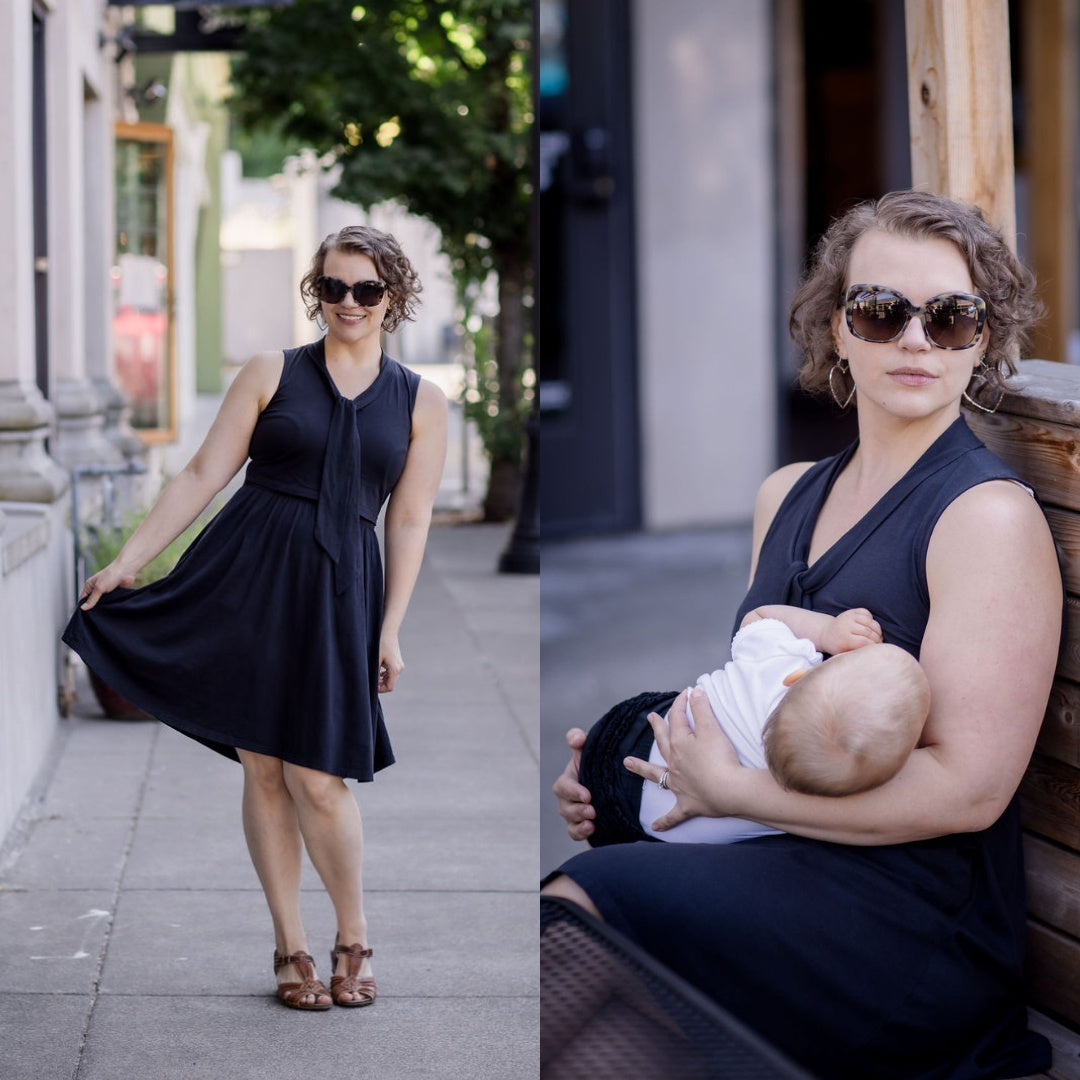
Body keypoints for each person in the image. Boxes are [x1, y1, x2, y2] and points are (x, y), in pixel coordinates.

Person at [543, 190, 1063, 1079]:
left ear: (983, 337)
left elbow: (967, 791)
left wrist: (733, 795)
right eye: (880, 310)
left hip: (908, 919)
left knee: (578, 914)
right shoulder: (785, 493)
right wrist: (636, 771)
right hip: (775, 864)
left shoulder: (985, 517)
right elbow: (764, 686)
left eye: (951, 317)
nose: (913, 340)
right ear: (836, 325)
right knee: (588, 1019)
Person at [63, 225, 448, 1011]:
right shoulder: (272, 372)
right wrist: (129, 561)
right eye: (334, 287)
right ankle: (292, 945)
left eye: (366, 290)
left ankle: (353, 935)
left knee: (321, 776)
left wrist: (392, 626)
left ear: (392, 298)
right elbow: (206, 471)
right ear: (317, 292)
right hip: (248, 576)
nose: (348, 303)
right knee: (264, 767)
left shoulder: (420, 400)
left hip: (341, 592)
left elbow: (408, 521)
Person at [581, 605, 928, 847]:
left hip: (633, 735)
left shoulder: (779, 666)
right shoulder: (815, 796)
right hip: (652, 833)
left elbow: (757, 617)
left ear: (798, 676)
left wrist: (827, 631)